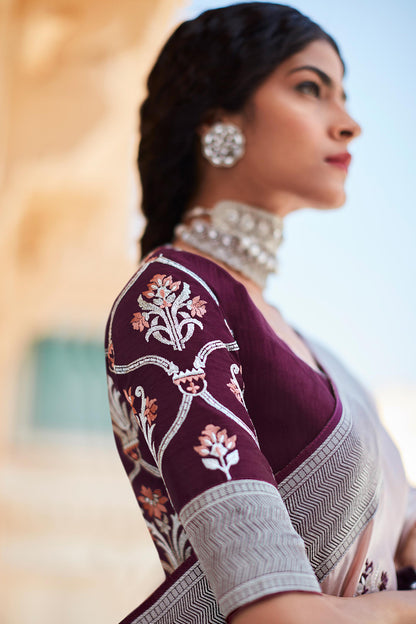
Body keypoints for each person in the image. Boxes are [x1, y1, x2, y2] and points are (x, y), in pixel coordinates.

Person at [104, 3, 416, 623]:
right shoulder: (171, 297)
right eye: (310, 88)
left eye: (345, 96)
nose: (349, 123)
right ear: (219, 120)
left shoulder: (318, 352)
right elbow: (275, 618)